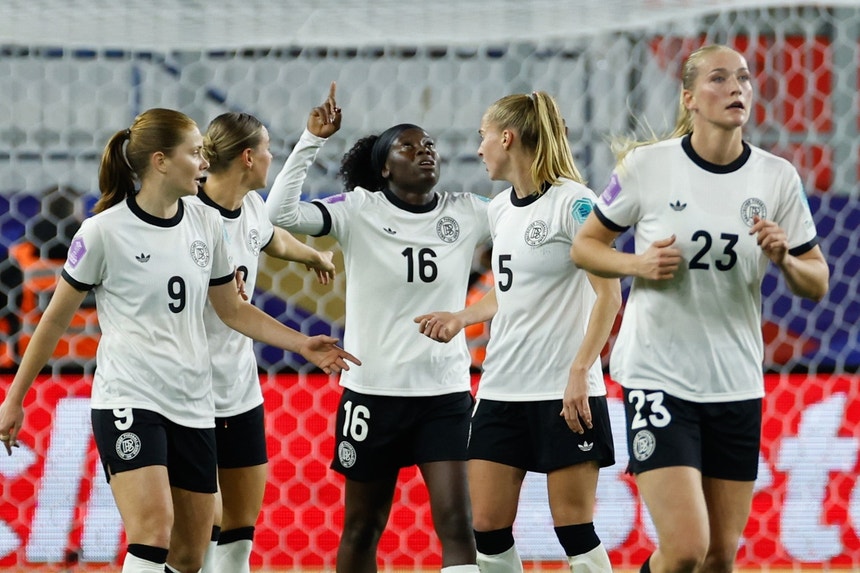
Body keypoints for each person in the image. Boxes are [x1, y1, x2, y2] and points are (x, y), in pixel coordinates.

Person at [0, 108, 359, 573]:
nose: (204, 163)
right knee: (152, 535)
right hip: (130, 397)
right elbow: (52, 321)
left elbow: (233, 309)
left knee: (190, 555)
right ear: (161, 161)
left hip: (193, 403)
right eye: (194, 154)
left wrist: (301, 344)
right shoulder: (104, 231)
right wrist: (15, 398)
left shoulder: (206, 224)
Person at [570, 45, 829, 573]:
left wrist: (784, 258)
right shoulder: (647, 167)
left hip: (735, 382)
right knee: (687, 547)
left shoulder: (776, 177)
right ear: (688, 98)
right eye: (719, 78)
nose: (737, 88)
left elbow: (817, 281)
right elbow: (585, 246)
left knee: (718, 558)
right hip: (659, 376)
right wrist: (638, 264)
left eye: (744, 78)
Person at [266, 83, 490, 573]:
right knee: (363, 527)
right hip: (372, 394)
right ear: (385, 168)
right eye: (408, 146)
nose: (424, 151)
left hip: (443, 394)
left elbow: (529, 234)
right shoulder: (358, 210)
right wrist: (311, 139)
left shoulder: (469, 211)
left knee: (458, 525)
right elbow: (277, 214)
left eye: (428, 144)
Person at [415, 91, 619, 573]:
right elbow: (510, 291)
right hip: (502, 389)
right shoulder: (501, 209)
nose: (478, 148)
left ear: (506, 138)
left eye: (482, 136)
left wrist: (580, 372)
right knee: (487, 529)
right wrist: (462, 317)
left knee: (573, 530)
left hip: (563, 391)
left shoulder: (575, 203)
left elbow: (609, 296)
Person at [196, 111, 337, 573]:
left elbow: (272, 238)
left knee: (239, 526)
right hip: (185, 390)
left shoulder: (252, 206)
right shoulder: (187, 215)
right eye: (269, 148)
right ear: (247, 157)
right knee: (200, 525)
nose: (272, 157)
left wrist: (312, 255)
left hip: (238, 390)